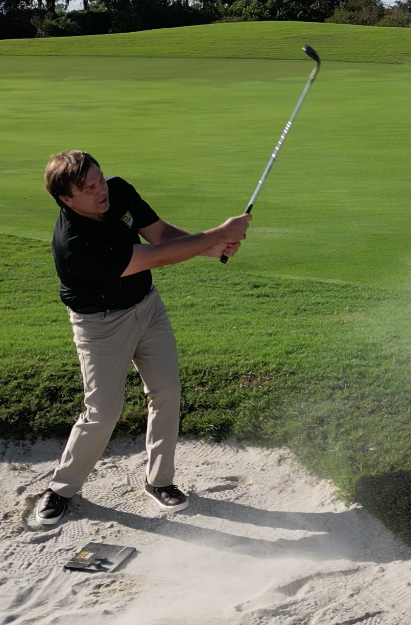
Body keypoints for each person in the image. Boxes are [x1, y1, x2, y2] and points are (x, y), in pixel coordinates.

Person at [34, 150, 251, 526]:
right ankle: (62, 488)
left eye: (100, 179)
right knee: (103, 412)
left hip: (147, 307)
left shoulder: (117, 192)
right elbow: (156, 257)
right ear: (66, 199)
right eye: (89, 188)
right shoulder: (76, 245)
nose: (101, 190)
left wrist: (209, 247)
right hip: (100, 326)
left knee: (167, 391)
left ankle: (159, 481)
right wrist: (218, 234)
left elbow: (161, 235)